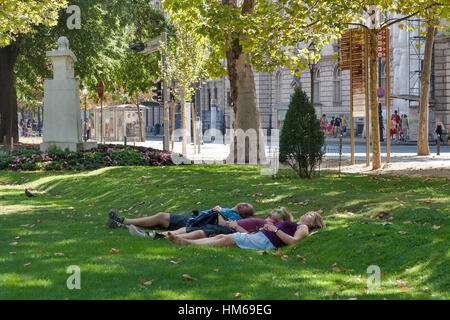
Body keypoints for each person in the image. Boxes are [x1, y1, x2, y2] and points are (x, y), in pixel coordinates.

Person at [168, 211, 325, 250]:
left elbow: (293, 242)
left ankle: (187, 242)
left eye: (312, 215)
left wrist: (274, 230)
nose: (308, 213)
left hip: (266, 241)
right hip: (262, 236)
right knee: (223, 235)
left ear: (313, 223)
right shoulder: (296, 224)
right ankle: (189, 240)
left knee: (228, 240)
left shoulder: (303, 228)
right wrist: (270, 228)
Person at [128, 207, 293, 240]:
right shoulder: (265, 221)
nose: (274, 210)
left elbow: (252, 236)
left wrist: (235, 226)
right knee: (187, 228)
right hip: (225, 226)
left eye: (278, 211)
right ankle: (149, 234)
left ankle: (155, 236)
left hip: (228, 230)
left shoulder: (268, 225)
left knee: (197, 232)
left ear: (282, 217)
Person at [107, 203, 255, 238]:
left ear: (244, 214)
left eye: (247, 208)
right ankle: (124, 222)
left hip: (196, 223)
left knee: (161, 222)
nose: (244, 205)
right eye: (246, 203)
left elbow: (224, 224)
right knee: (161, 217)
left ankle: (124, 222)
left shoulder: (235, 217)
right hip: (192, 218)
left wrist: (220, 213)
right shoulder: (226, 208)